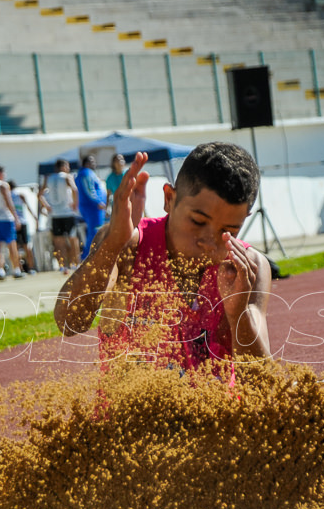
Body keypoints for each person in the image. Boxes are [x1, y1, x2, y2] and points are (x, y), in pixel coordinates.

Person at [54, 142, 272, 370]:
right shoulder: (129, 246)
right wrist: (112, 245)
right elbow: (69, 322)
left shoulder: (249, 267)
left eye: (228, 230)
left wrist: (238, 314)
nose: (208, 242)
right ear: (169, 198)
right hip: (129, 405)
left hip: (216, 405)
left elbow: (263, 383)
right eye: (197, 222)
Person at [40, 159, 80, 274]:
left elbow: (40, 195)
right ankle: (75, 264)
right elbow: (74, 189)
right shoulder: (67, 177)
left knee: (59, 241)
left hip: (55, 214)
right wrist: (75, 204)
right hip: (67, 212)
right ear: (63, 167)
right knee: (73, 239)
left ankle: (63, 265)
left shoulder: (48, 178)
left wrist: (47, 206)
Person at [75, 154, 108, 261]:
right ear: (87, 163)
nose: (95, 164)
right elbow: (89, 190)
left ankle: (93, 253)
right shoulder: (86, 173)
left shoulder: (86, 173)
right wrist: (98, 202)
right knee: (95, 231)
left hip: (92, 208)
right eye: (92, 161)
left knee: (95, 231)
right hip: (93, 208)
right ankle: (88, 255)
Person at [8, 179, 39, 274]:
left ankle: (19, 268)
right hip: (23, 222)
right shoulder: (20, 195)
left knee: (15, 247)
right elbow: (28, 206)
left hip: (12, 223)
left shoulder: (7, 196)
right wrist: (35, 217)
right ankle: (31, 267)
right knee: (26, 246)